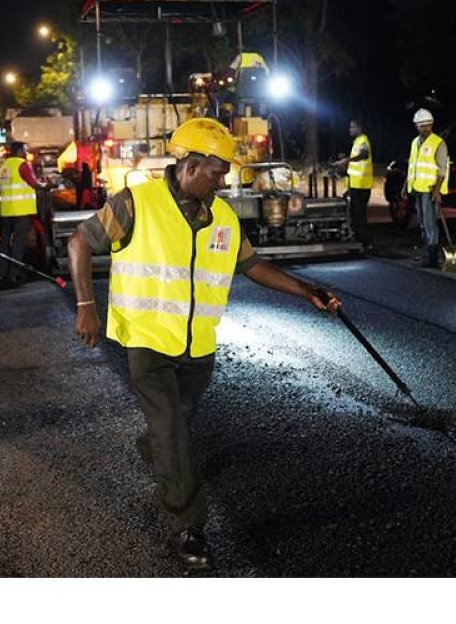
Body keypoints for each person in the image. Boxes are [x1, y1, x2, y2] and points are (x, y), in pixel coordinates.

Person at [68, 117, 341, 573]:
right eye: (217, 171)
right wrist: (85, 304)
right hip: (149, 341)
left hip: (198, 348)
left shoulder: (224, 216)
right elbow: (80, 242)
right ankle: (187, 527)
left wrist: (305, 290)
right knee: (173, 428)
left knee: (175, 426)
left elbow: (252, 266)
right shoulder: (138, 202)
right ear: (191, 165)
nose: (224, 178)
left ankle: (158, 451)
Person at [0, 141, 47, 289]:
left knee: (4, 243)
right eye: (24, 150)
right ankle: (13, 275)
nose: (26, 153)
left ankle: (1, 273)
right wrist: (46, 185)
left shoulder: (4, 167)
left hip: (6, 211)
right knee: (18, 243)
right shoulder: (22, 164)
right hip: (21, 211)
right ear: (18, 151)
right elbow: (33, 184)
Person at [406, 108, 449, 268]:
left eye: (428, 125)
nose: (425, 128)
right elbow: (412, 167)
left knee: (430, 224)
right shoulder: (414, 143)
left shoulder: (438, 143)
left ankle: (432, 258)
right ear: (416, 126)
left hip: (430, 190)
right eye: (422, 126)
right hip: (418, 188)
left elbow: (442, 170)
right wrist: (405, 188)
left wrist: (437, 190)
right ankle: (427, 253)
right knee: (423, 224)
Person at [334, 118, 373, 251]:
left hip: (361, 185)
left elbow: (364, 154)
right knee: (356, 214)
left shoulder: (363, 140)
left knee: (359, 214)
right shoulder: (357, 141)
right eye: (350, 127)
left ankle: (364, 242)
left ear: (359, 128)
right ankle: (359, 239)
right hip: (356, 184)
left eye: (352, 127)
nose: (350, 130)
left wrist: (347, 160)